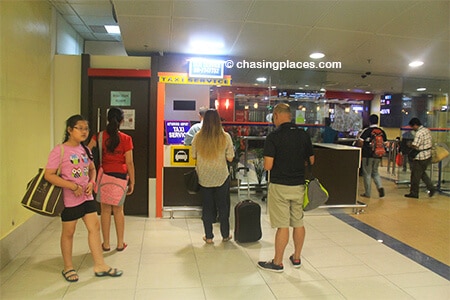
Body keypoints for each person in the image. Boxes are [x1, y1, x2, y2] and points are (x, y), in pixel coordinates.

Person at [44, 115, 123, 282]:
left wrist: (92, 181)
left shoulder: (85, 149)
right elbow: (49, 175)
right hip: (69, 199)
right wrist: (72, 186)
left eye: (86, 128)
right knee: (69, 232)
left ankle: (100, 264)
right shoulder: (60, 150)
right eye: (79, 128)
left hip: (86, 197)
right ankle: (68, 267)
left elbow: (92, 169)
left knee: (94, 228)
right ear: (69, 130)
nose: (84, 131)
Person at [258, 103, 314, 272]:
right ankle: (296, 258)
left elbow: (268, 166)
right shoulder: (303, 135)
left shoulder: (274, 136)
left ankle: (277, 262)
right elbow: (311, 160)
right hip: (298, 186)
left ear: (276, 115)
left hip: (280, 186)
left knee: (283, 225)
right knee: (298, 222)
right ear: (290, 115)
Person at [88, 107, 135, 252]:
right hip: (120, 177)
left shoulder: (99, 136)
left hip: (104, 176)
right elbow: (129, 162)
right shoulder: (126, 139)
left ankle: (106, 244)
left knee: (105, 210)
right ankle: (120, 243)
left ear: (107, 119)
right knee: (119, 210)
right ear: (121, 120)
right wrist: (132, 181)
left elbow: (86, 152)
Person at [191, 109, 234, 244]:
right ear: (218, 120)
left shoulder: (198, 137)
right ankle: (225, 235)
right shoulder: (225, 136)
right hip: (221, 175)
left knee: (207, 207)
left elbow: (193, 155)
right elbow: (230, 157)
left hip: (204, 177)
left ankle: (208, 236)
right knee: (223, 206)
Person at [404, 117, 436, 198]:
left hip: (420, 157)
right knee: (422, 173)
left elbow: (416, 145)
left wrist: (409, 144)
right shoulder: (427, 130)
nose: (412, 129)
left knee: (415, 175)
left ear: (415, 125)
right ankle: (431, 187)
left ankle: (414, 193)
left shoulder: (419, 133)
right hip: (428, 156)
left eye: (412, 127)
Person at [358, 114, 387, 198]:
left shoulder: (366, 130)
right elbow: (385, 144)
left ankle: (367, 193)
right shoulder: (382, 132)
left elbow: (360, 142)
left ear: (369, 121)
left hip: (367, 155)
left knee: (367, 173)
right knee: (375, 172)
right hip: (378, 155)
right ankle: (380, 187)